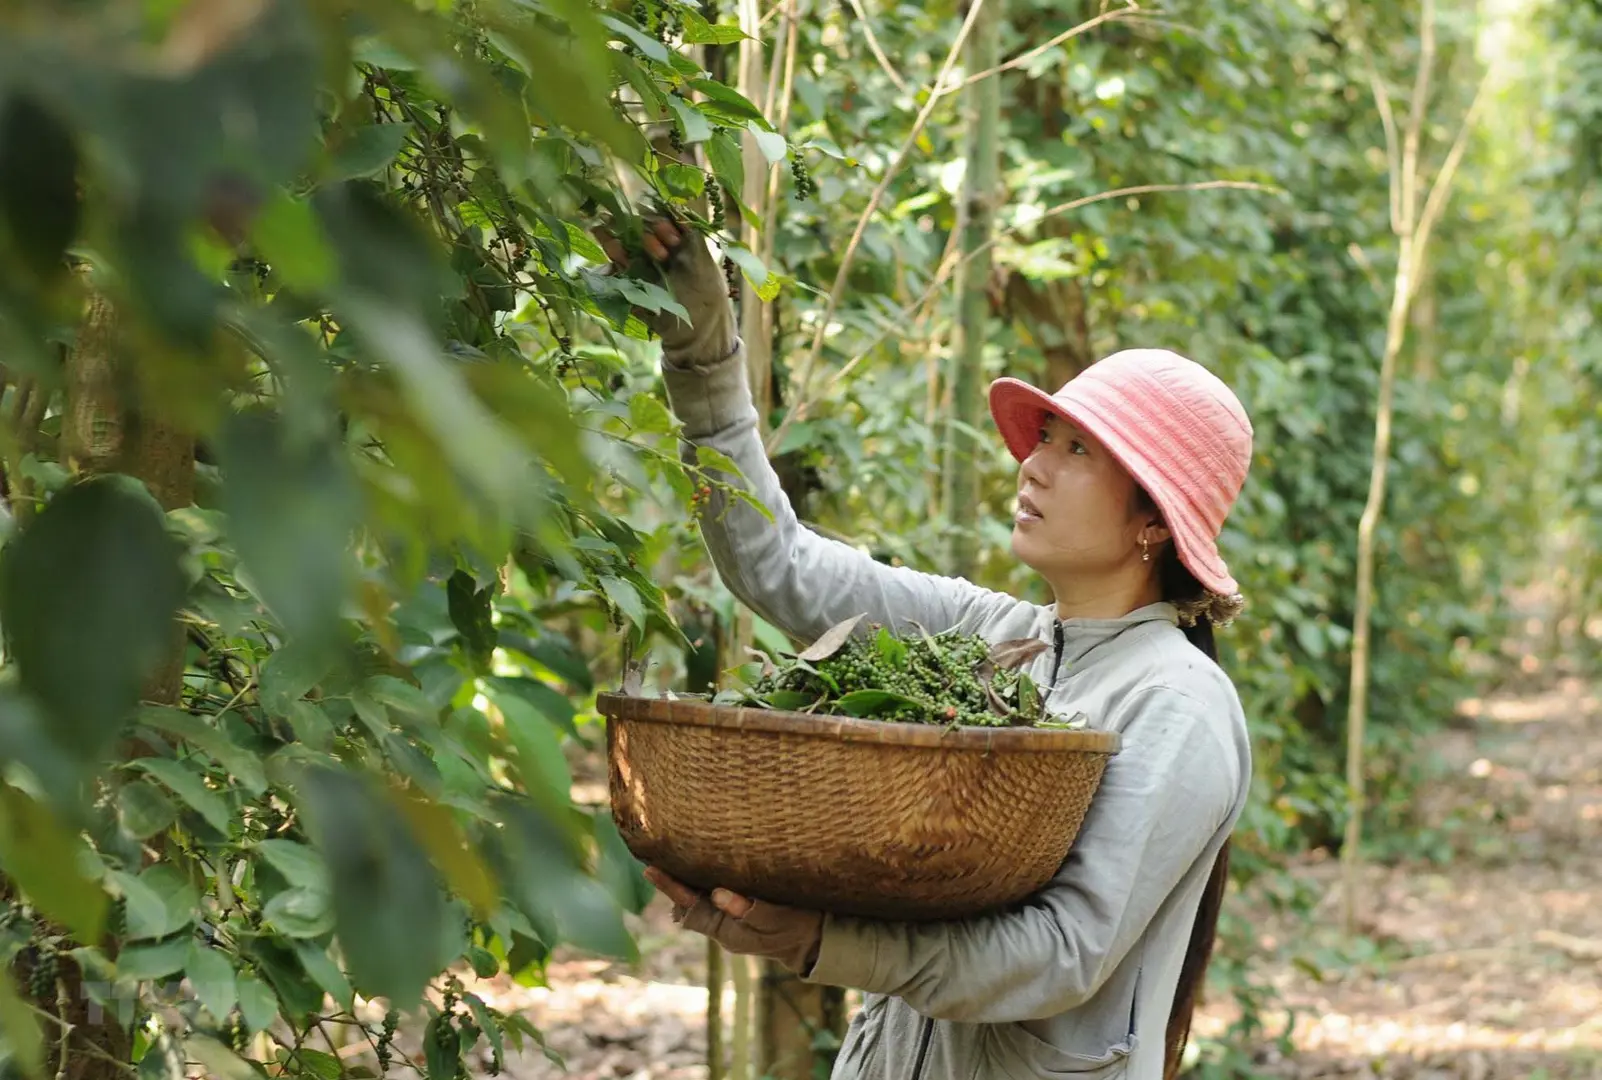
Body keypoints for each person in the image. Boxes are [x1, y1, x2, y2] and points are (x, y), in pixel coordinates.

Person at [597, 216, 1255, 1080]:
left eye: (1078, 450)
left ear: (1152, 525)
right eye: (1043, 440)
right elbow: (778, 565)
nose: (1033, 467)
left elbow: (1064, 951)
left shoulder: (1178, 706)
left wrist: (826, 942)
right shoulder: (991, 636)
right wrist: (706, 359)